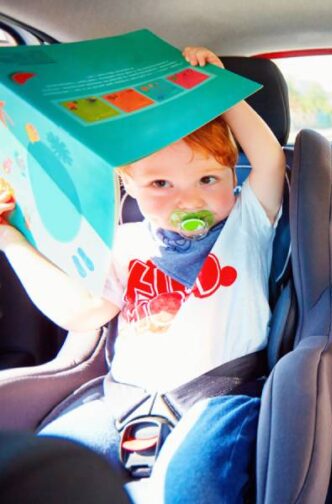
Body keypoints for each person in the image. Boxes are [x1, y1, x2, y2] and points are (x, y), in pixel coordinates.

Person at [0, 46, 284, 503]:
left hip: (217, 398)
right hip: (119, 400)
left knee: (192, 483)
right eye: (160, 184)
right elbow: (81, 312)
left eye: (208, 180)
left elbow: (269, 159)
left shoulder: (247, 224)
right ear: (128, 186)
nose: (188, 200)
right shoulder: (125, 244)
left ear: (234, 176)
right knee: (47, 468)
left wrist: (220, 93)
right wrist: (8, 239)